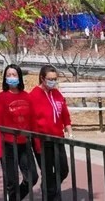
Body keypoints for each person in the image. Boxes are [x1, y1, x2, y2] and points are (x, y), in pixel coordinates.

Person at [0, 64, 38, 201]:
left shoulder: (27, 97)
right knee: (11, 182)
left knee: (32, 178)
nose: (11, 77)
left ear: (19, 77)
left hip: (24, 144)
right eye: (8, 75)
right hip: (7, 144)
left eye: (14, 75)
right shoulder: (1, 97)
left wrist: (36, 144)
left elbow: (33, 122)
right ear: (5, 78)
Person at [29, 65, 73, 201]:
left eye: (55, 79)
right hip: (42, 140)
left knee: (63, 170)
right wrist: (36, 144)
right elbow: (32, 122)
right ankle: (50, 195)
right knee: (47, 172)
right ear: (42, 78)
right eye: (50, 79)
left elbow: (64, 112)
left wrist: (69, 130)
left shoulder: (57, 93)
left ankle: (50, 189)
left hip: (58, 138)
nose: (52, 81)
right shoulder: (34, 95)